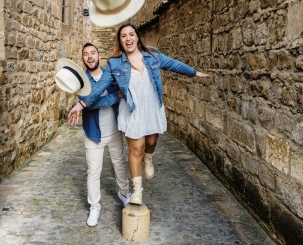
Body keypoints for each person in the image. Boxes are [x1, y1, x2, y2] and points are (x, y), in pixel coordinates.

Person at [68, 23, 212, 205]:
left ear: (137, 37)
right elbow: (99, 88)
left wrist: (195, 73)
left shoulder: (152, 55)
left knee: (151, 142)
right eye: (123, 36)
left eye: (131, 34)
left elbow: (173, 64)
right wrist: (81, 104)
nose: (128, 38)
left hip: (152, 107)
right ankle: (136, 192)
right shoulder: (115, 63)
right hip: (132, 110)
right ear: (120, 41)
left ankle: (149, 157)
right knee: (136, 149)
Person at [76, 43, 131, 227]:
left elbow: (122, 90)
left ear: (99, 55)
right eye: (86, 54)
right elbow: (89, 103)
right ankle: (94, 206)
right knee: (93, 171)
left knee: (120, 165)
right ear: (83, 59)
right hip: (93, 134)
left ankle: (124, 194)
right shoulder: (81, 81)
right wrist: (114, 97)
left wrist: (104, 98)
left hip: (114, 131)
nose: (90, 57)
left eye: (93, 53)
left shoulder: (110, 74)